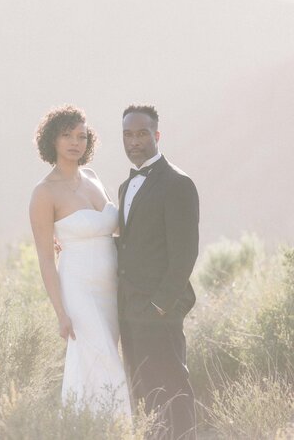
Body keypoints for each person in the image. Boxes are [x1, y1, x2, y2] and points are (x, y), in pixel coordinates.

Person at [29, 104, 131, 416]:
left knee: (103, 358)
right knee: (103, 360)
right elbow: (46, 259)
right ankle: (113, 429)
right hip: (78, 288)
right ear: (52, 141)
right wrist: (61, 312)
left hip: (112, 287)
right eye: (67, 135)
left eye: (82, 136)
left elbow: (108, 231)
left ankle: (90, 428)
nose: (76, 142)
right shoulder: (44, 193)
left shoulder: (93, 177)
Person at [117, 104, 199, 439]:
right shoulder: (125, 187)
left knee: (173, 391)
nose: (134, 141)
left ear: (157, 135)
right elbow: (132, 244)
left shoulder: (177, 183)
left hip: (158, 310)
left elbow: (185, 253)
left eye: (141, 133)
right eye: (127, 134)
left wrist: (161, 306)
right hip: (129, 310)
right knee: (143, 395)